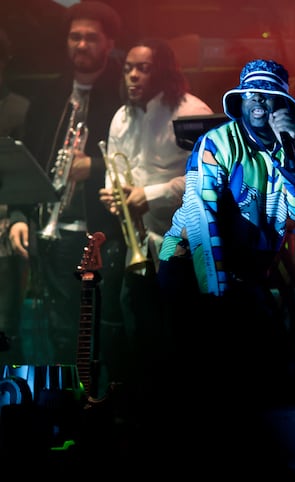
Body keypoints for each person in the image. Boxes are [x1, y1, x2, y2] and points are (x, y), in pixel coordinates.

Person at [156, 58, 295, 413]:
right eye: (252, 95)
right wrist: (216, 295)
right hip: (192, 265)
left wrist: (290, 153)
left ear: (283, 105)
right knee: (199, 377)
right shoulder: (215, 143)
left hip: (247, 274)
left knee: (260, 373)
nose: (260, 103)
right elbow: (202, 218)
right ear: (240, 101)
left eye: (269, 95)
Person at [8, 1, 126, 367]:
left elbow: (144, 162)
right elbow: (27, 163)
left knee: (108, 331)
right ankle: (68, 413)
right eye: (75, 37)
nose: (81, 45)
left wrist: (96, 165)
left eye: (91, 38)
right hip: (54, 235)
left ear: (109, 43)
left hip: (105, 235)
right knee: (62, 334)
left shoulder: (126, 94)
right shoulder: (49, 96)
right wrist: (17, 216)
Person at [97, 37, 212, 413]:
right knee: (142, 335)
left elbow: (208, 179)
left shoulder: (191, 111)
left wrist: (150, 193)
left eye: (142, 68)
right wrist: (114, 193)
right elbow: (115, 172)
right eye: (128, 67)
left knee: (185, 337)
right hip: (142, 242)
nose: (132, 75)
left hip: (184, 244)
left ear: (163, 70)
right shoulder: (121, 117)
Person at [0, 28, 30, 361]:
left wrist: (17, 217)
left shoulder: (20, 109)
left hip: (3, 230)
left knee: (6, 325)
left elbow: (27, 177)